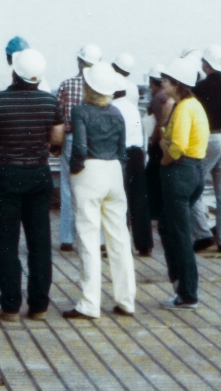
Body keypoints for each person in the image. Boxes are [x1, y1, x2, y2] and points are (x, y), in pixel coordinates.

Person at [0, 48, 63, 319]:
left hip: (6, 176)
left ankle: (10, 306)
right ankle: (39, 306)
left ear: (14, 72)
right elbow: (57, 138)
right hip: (38, 174)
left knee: (7, 243)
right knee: (39, 242)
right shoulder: (50, 102)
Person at [63, 63, 137, 318]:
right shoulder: (117, 112)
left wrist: (74, 171)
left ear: (88, 86)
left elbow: (80, 148)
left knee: (88, 238)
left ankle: (89, 303)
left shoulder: (80, 111)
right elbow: (122, 150)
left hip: (90, 171)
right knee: (119, 238)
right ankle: (126, 300)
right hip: (114, 171)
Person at [157, 57, 210, 309]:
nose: (161, 83)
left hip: (180, 170)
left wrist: (165, 159)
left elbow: (176, 146)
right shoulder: (193, 106)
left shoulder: (184, 108)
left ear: (177, 84)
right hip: (195, 169)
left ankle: (188, 293)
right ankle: (179, 283)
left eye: (165, 80)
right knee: (168, 226)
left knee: (179, 234)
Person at [54, 43, 102, 252]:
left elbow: (57, 116)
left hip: (71, 139)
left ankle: (67, 237)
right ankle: (98, 239)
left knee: (67, 188)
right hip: (96, 140)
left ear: (79, 62)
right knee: (95, 188)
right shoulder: (100, 87)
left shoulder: (66, 85)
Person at [191, 45, 221, 253]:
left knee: (195, 187)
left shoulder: (199, 88)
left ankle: (203, 234)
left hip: (210, 138)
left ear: (207, 64)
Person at [112, 53, 152, 256]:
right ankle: (144, 244)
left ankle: (121, 244)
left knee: (119, 201)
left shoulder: (111, 109)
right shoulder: (133, 107)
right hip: (137, 153)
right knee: (139, 199)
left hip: (120, 156)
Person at [144, 64, 173, 226]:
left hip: (160, 142)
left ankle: (154, 211)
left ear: (153, 82)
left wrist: (153, 139)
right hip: (169, 141)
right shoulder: (168, 96)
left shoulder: (157, 97)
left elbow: (158, 123)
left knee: (152, 176)